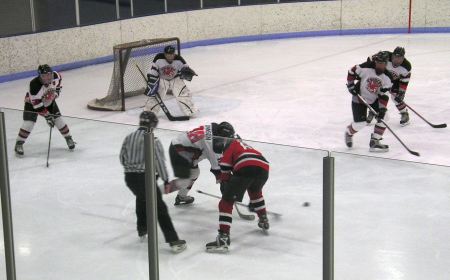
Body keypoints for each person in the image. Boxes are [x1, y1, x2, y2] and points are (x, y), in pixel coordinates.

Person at [119, 111, 186, 253]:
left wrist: (132, 167)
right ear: (152, 124)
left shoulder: (129, 138)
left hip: (130, 178)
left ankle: (142, 229)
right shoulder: (153, 140)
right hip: (146, 179)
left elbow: (122, 158)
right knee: (160, 209)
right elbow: (159, 162)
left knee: (141, 199)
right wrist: (166, 180)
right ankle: (173, 240)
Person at [206, 137, 270, 253]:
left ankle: (224, 236)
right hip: (264, 167)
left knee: (226, 203)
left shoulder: (231, 145)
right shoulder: (243, 145)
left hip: (245, 166)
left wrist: (225, 182)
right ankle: (263, 218)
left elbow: (225, 165)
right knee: (255, 192)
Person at [168, 122, 235, 206]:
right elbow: (217, 169)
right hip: (180, 152)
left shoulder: (212, 128)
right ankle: (159, 190)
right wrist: (225, 185)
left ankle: (181, 196)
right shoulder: (212, 144)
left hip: (180, 146)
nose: (227, 141)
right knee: (187, 179)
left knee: (194, 174)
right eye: (226, 138)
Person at [14, 64, 75, 156]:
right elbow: (37, 105)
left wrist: (57, 92)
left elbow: (59, 81)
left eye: (49, 75)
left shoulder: (56, 76)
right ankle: (19, 143)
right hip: (32, 104)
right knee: (28, 123)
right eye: (45, 76)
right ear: (40, 76)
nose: (48, 78)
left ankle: (68, 138)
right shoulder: (34, 85)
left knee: (59, 120)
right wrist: (47, 116)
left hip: (48, 101)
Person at [345, 51, 394, 152]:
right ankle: (349, 132)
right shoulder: (366, 67)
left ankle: (375, 140)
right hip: (359, 98)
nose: (379, 65)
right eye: (378, 63)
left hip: (374, 99)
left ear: (385, 64)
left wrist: (382, 109)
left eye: (382, 63)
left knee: (385, 117)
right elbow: (351, 70)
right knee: (361, 124)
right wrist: (351, 85)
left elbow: (384, 95)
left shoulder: (388, 78)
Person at [144, 45, 198, 117]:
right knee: (156, 95)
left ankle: (190, 110)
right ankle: (149, 112)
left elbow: (185, 68)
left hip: (175, 78)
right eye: (168, 55)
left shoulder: (179, 59)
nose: (170, 57)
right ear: (165, 54)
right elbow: (153, 70)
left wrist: (187, 72)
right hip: (162, 79)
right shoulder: (158, 58)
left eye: (172, 55)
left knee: (182, 93)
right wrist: (152, 80)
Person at [366, 47, 412, 126]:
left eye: (399, 58)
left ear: (403, 58)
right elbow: (370, 58)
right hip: (383, 78)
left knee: (396, 98)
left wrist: (401, 92)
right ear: (392, 56)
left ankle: (404, 114)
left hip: (395, 81)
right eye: (395, 57)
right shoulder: (386, 56)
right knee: (375, 93)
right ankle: (372, 111)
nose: (396, 60)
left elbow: (405, 81)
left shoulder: (406, 66)